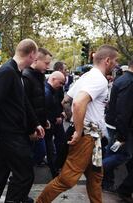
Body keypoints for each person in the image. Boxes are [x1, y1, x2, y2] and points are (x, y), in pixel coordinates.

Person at [36, 45, 119, 203]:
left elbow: (66, 100)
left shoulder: (87, 76)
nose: (116, 64)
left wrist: (73, 122)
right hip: (87, 137)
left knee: (95, 177)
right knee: (67, 180)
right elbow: (78, 103)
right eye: (115, 61)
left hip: (92, 138)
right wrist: (79, 130)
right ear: (107, 60)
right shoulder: (99, 80)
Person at [0, 39, 45, 203]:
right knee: (25, 175)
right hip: (10, 134)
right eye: (36, 57)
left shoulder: (16, 72)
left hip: (10, 134)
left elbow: (23, 102)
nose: (36, 60)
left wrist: (35, 123)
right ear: (31, 54)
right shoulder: (6, 72)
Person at [102, 59, 133, 200]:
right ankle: (96, 171)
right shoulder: (129, 82)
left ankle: (106, 181)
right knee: (124, 155)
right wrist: (122, 134)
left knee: (112, 152)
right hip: (119, 126)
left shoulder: (123, 79)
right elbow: (123, 111)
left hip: (114, 124)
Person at [22, 47, 52, 166]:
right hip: (31, 128)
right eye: (46, 63)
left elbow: (39, 103)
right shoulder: (26, 77)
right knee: (34, 153)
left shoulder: (39, 76)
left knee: (39, 152)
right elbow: (26, 106)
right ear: (35, 60)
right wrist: (31, 130)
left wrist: (44, 120)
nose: (48, 66)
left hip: (38, 125)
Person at [44, 71, 66, 178]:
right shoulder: (47, 92)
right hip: (48, 125)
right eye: (60, 83)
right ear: (53, 79)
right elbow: (46, 110)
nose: (61, 86)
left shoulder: (51, 91)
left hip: (50, 123)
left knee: (51, 147)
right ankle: (54, 171)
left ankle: (55, 169)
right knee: (50, 148)